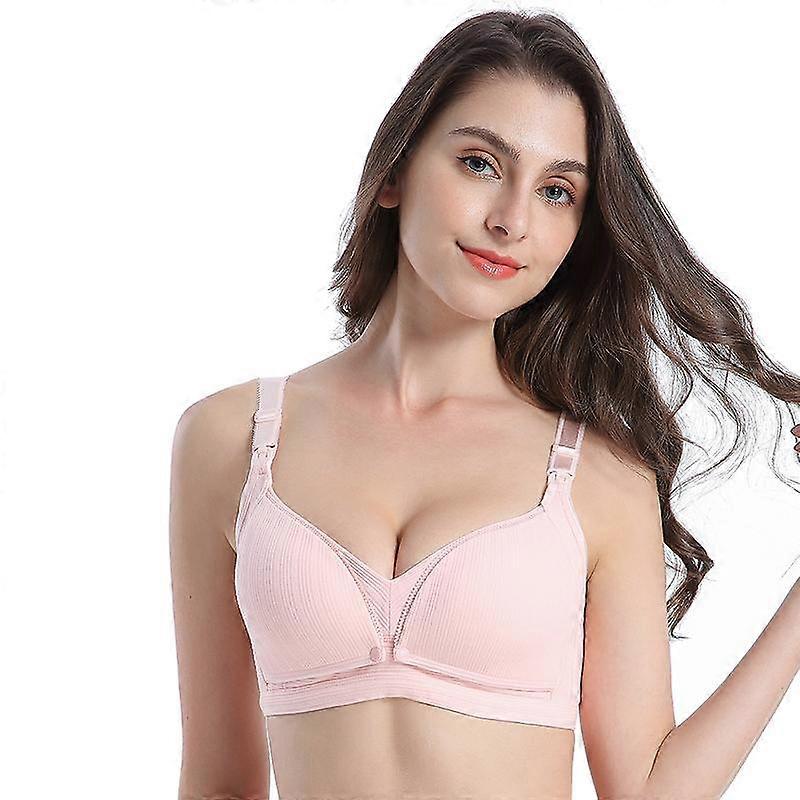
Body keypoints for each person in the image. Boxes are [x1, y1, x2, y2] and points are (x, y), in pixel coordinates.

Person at [169, 10, 800, 800]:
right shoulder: (232, 439)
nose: (512, 220)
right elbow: (218, 784)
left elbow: (646, 791)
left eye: (557, 191)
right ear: (394, 172)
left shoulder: (598, 476)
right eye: (479, 163)